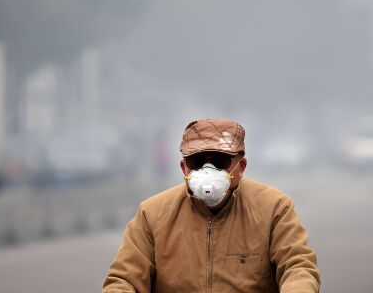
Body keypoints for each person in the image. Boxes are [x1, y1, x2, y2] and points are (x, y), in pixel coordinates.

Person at [103, 118, 321, 293]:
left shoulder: (274, 208)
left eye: (220, 161)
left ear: (241, 166)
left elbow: (298, 267)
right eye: (197, 162)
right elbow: (124, 279)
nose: (208, 170)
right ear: (184, 168)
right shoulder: (152, 214)